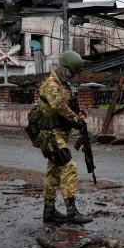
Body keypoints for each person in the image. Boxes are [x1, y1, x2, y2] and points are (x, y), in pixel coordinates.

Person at [36, 50, 93, 225]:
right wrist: (75, 119)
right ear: (64, 67)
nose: (73, 76)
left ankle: (49, 211)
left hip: (58, 134)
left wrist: (78, 112)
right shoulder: (52, 84)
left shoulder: (64, 84)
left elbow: (66, 104)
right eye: (72, 72)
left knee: (53, 173)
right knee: (69, 166)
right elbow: (58, 105)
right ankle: (71, 213)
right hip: (50, 135)